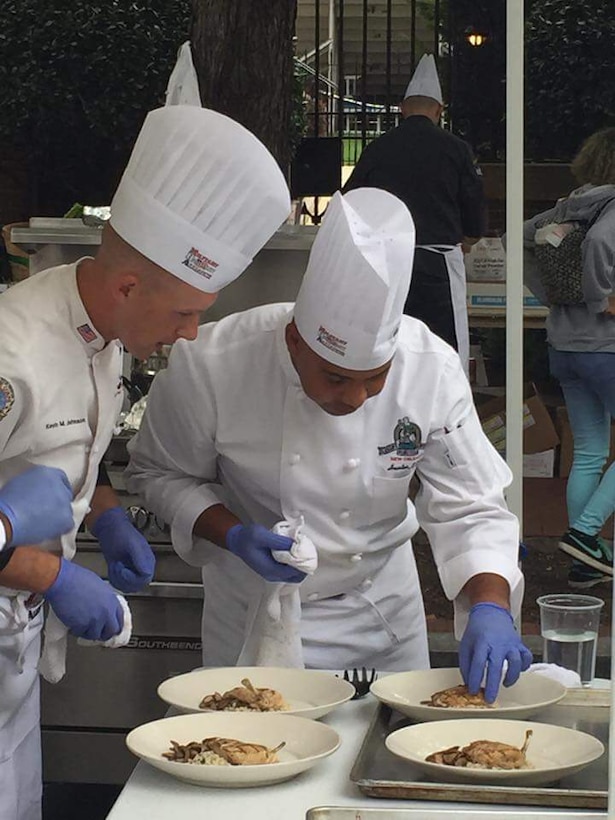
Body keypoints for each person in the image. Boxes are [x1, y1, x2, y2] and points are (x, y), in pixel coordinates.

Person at [126, 187, 531, 705]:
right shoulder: (213, 363)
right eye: (337, 379)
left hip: (380, 616)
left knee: (388, 759)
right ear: (295, 341)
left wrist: (491, 606)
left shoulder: (430, 367)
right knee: (247, 762)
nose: (357, 398)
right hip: (252, 612)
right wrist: (232, 534)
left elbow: (471, 503)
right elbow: (158, 475)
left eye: (375, 378)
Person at [0, 104, 290, 820]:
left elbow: (63, 450)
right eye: (184, 314)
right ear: (129, 287)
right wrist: (53, 570)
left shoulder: (104, 331)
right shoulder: (12, 355)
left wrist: (104, 513)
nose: (190, 335)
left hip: (17, 632)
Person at [342, 53, 486, 372]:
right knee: (445, 342)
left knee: (389, 338)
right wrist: (470, 235)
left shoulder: (378, 148)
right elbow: (473, 204)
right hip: (438, 262)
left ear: (402, 110)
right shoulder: (456, 149)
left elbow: (351, 200)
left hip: (388, 261)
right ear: (439, 111)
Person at [522, 127, 615, 589]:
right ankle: (583, 534)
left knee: (590, 452)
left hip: (564, 344)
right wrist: (602, 299)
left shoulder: (570, 205)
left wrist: (552, 295)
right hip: (607, 347)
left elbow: (518, 237)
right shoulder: (611, 208)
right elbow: (601, 245)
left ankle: (585, 562)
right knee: (594, 451)